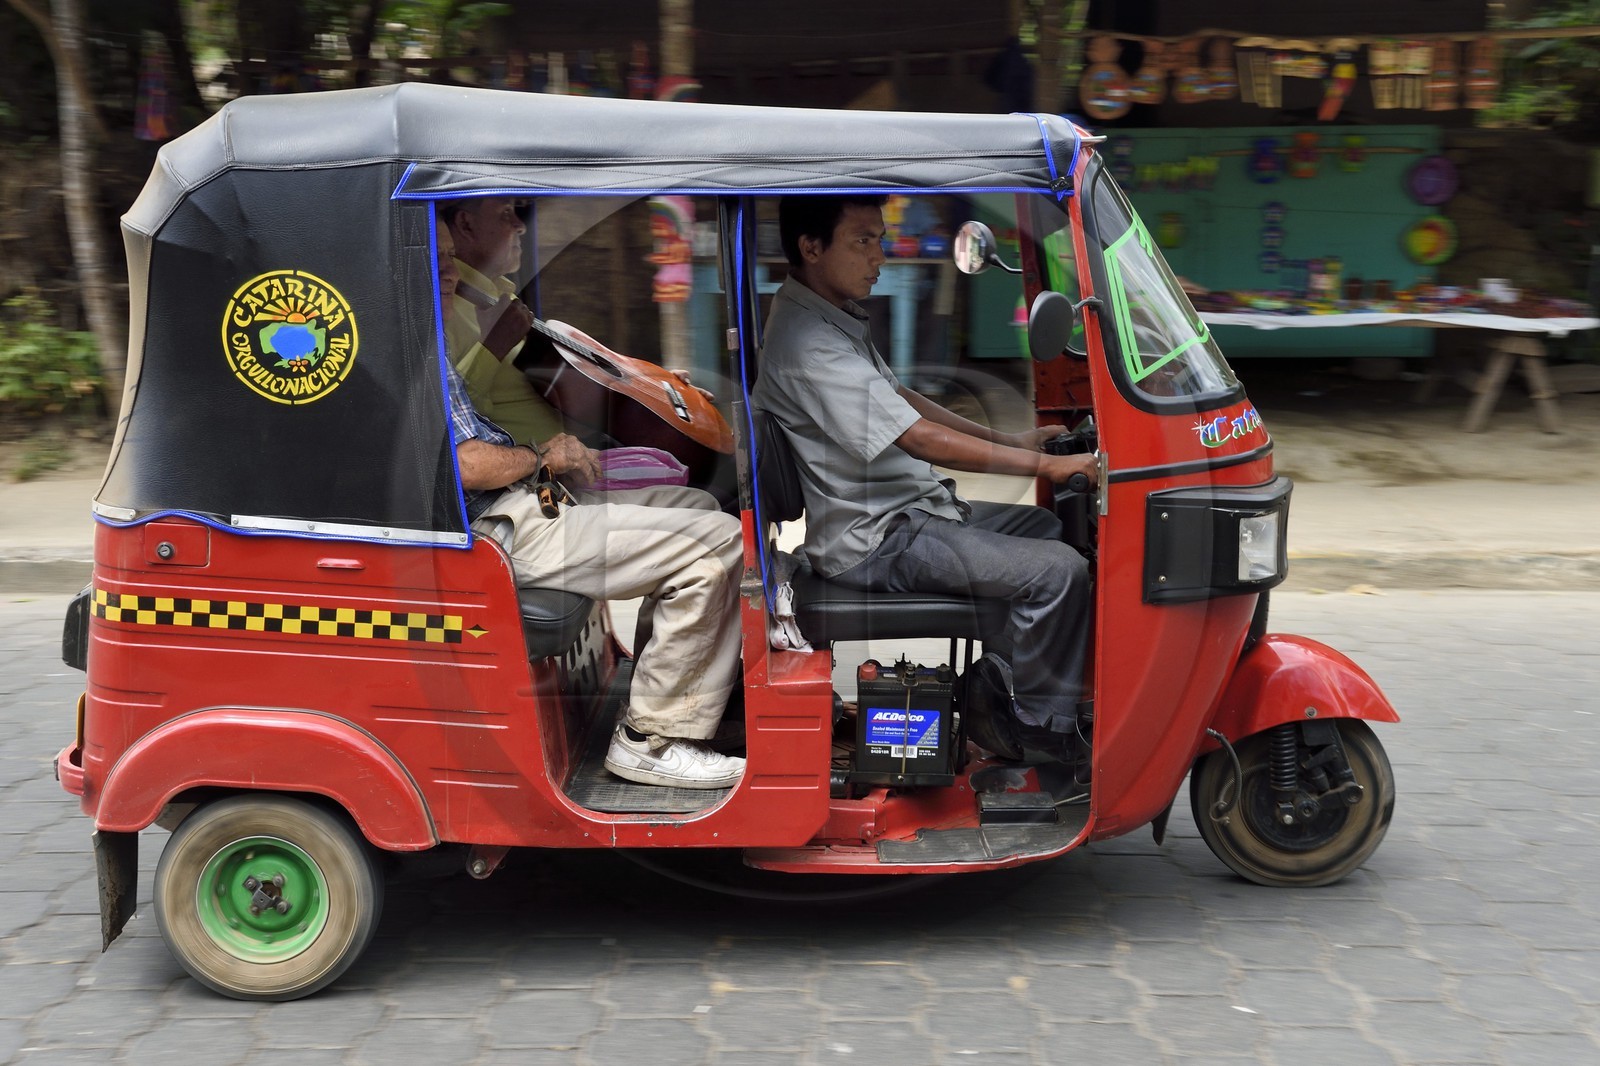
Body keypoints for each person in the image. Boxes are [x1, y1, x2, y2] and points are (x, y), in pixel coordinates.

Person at [752, 195, 1098, 758]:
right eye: (863, 241)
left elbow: (901, 401)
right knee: (1060, 573)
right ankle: (1037, 730)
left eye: (880, 240)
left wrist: (1010, 441)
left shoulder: (827, 314)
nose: (880, 257)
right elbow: (917, 437)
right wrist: (1049, 464)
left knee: (1046, 530)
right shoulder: (809, 343)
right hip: (878, 539)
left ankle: (999, 690)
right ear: (811, 248)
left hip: (910, 510)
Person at [433, 226, 745, 790]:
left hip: (524, 500)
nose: (450, 272)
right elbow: (466, 465)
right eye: (437, 262)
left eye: (453, 258)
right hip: (497, 525)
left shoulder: (436, 332)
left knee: (700, 504)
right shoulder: (410, 347)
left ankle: (671, 701)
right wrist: (540, 455)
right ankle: (654, 741)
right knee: (717, 542)